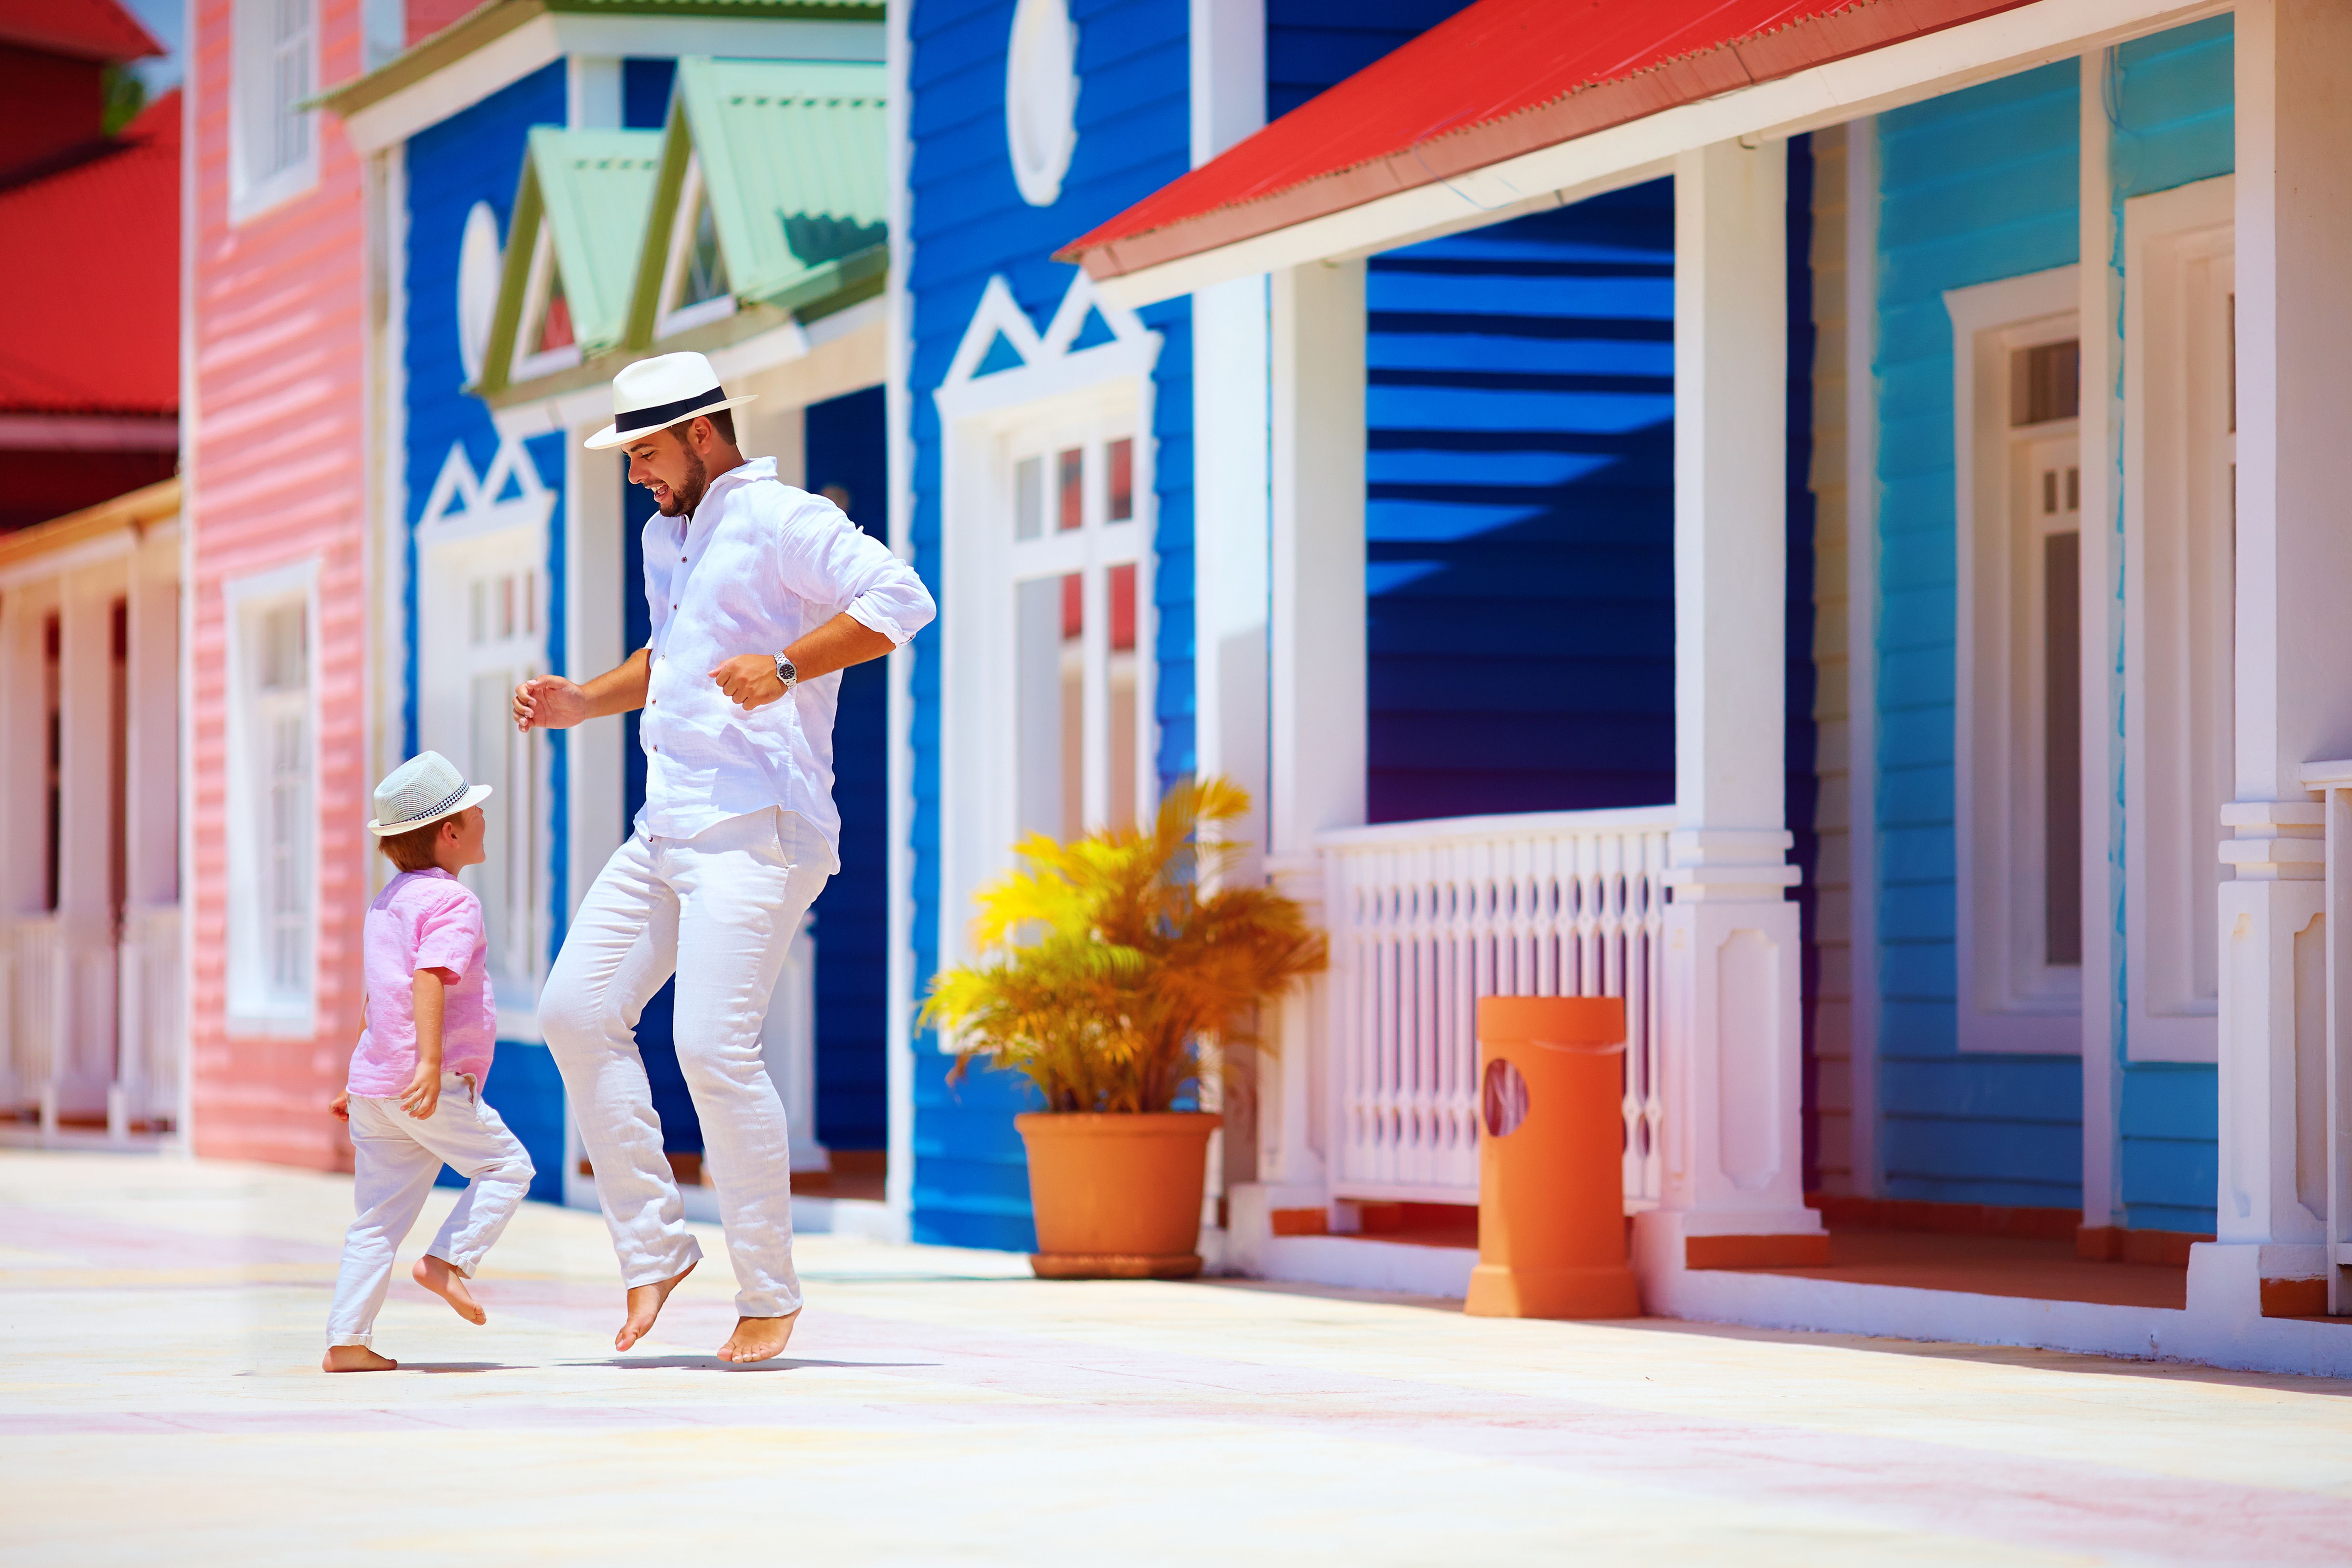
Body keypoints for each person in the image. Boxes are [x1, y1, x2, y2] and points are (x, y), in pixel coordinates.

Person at [517, 351, 934, 1365]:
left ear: (704, 433)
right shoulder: (674, 538)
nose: (635, 475)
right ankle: (656, 1246)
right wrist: (584, 700)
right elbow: (670, 657)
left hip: (758, 826)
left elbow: (902, 596)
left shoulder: (783, 516)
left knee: (712, 1047)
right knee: (574, 1011)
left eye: (647, 451)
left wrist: (789, 664)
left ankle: (768, 1290)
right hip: (666, 822)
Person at [324, 752, 536, 1372]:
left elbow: (377, 994)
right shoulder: (453, 904)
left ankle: (347, 1341)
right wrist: (429, 1065)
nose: (482, 818)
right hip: (428, 1083)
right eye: (475, 810)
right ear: (450, 832)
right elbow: (427, 980)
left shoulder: (388, 902)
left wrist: (355, 1077)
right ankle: (447, 1260)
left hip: (376, 1086)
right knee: (506, 1166)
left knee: (376, 1221)